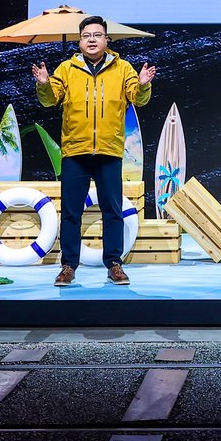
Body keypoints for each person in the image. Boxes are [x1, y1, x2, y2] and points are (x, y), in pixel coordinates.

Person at [32, 15, 157, 287]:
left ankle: (114, 264)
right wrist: (43, 84)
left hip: (108, 150)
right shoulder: (66, 68)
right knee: (71, 212)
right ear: (79, 41)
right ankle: (68, 266)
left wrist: (143, 84)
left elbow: (138, 98)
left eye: (97, 35)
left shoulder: (122, 68)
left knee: (112, 210)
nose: (92, 40)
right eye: (86, 35)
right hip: (75, 151)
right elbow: (50, 100)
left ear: (106, 39)